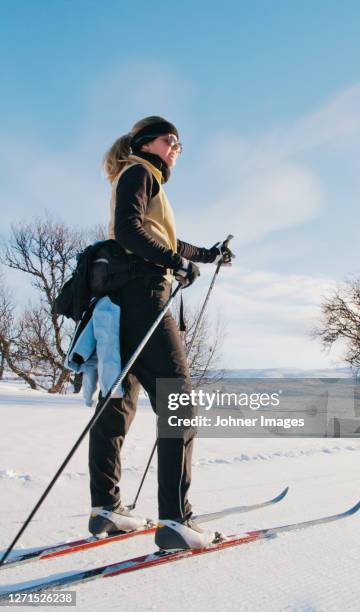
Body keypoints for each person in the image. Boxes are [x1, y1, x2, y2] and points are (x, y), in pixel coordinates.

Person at [88, 116, 233, 550]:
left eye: (179, 145)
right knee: (179, 401)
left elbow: (162, 237)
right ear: (146, 142)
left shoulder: (139, 176)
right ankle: (176, 521)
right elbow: (132, 232)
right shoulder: (140, 172)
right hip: (144, 297)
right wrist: (173, 264)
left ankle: (107, 509)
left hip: (120, 306)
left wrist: (204, 255)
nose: (176, 148)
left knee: (117, 404)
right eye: (171, 140)